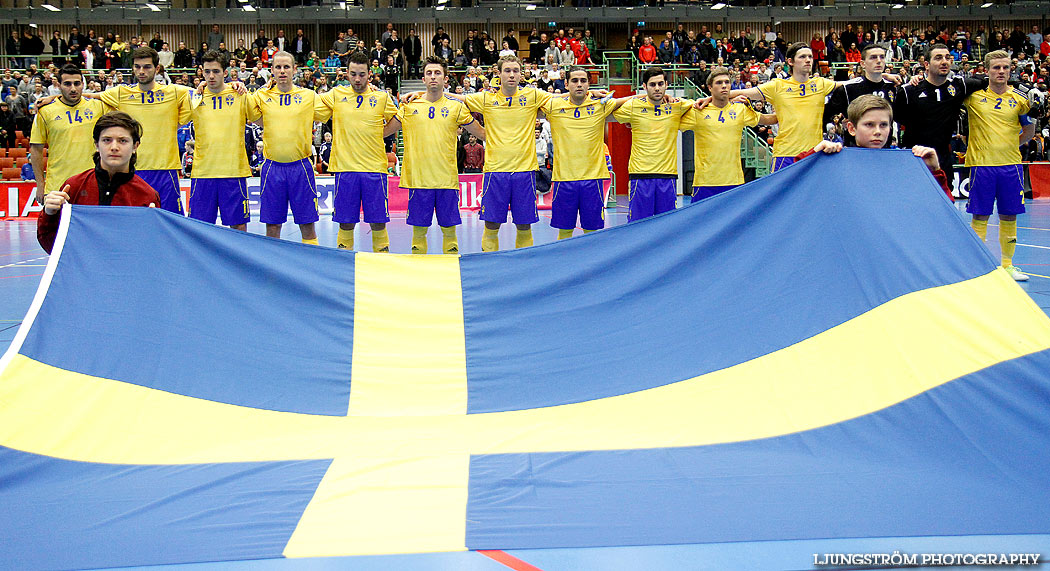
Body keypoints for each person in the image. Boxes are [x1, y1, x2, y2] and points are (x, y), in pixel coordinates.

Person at [726, 42, 892, 172]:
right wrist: (709, 98)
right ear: (790, 62)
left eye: (810, 57)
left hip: (815, 152)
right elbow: (739, 92)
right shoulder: (776, 86)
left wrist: (883, 75)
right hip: (786, 154)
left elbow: (854, 82)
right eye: (803, 57)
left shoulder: (820, 83)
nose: (808, 60)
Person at [382, 56, 485, 254]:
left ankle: (450, 277)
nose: (433, 77)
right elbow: (383, 132)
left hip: (446, 180)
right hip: (419, 181)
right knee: (418, 238)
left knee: (450, 237)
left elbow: (482, 133)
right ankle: (421, 280)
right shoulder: (409, 106)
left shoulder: (457, 107)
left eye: (438, 73)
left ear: (446, 79)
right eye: (429, 73)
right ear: (423, 79)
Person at [452, 55, 553, 251]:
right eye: (507, 70)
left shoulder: (532, 96)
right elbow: (458, 98)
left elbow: (562, 98)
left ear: (521, 74)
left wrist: (592, 95)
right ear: (498, 74)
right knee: (491, 224)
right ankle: (491, 268)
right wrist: (422, 93)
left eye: (516, 70)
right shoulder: (486, 98)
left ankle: (522, 269)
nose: (512, 74)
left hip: (524, 172)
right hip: (495, 172)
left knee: (524, 225)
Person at [37, 112, 159, 253]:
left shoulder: (147, 195)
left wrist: (151, 230)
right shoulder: (74, 186)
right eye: (107, 140)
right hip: (81, 272)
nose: (114, 147)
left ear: (135, 146)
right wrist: (49, 215)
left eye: (123, 141)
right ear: (96, 145)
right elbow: (52, 246)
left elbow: (149, 251)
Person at [88, 47, 192, 214]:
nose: (141, 71)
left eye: (147, 67)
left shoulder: (174, 91)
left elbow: (204, 92)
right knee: (132, 220)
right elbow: (88, 97)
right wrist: (52, 98)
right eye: (137, 67)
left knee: (171, 221)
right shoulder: (122, 92)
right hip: (131, 167)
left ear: (157, 69)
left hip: (165, 168)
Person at [963, 51, 1036, 281]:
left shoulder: (1020, 100)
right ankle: (977, 267)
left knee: (1009, 215)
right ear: (986, 70)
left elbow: (1030, 130)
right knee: (980, 215)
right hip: (981, 166)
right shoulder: (972, 97)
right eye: (996, 67)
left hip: (1011, 166)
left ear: (1010, 69)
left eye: (1005, 67)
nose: (1001, 71)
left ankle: (1008, 266)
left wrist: (1008, 145)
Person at [315, 51, 399, 253]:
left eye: (362, 74)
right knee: (345, 221)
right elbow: (308, 104)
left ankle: (381, 263)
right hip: (345, 169)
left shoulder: (381, 97)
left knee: (378, 221)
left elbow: (398, 118)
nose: (358, 79)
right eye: (353, 74)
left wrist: (380, 133)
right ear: (346, 73)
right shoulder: (336, 94)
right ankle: (346, 264)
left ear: (370, 74)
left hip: (374, 169)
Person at [800, 95, 953, 200]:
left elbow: (943, 205)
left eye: (883, 125)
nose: (878, 131)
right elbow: (792, 184)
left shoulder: (903, 163)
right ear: (852, 128)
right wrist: (814, 153)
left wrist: (934, 171)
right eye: (869, 125)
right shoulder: (835, 160)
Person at [542, 66, 629, 239]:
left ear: (589, 84)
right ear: (566, 84)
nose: (579, 84)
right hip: (564, 180)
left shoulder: (600, 105)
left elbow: (630, 100)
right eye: (574, 81)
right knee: (565, 231)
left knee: (592, 232)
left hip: (593, 180)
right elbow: (530, 99)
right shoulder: (553, 105)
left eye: (583, 81)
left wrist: (663, 97)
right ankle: (566, 265)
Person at [249, 51, 325, 245]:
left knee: (307, 223)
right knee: (272, 225)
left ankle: (310, 266)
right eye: (278, 67)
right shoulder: (261, 96)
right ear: (271, 70)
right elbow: (250, 113)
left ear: (294, 70)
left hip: (301, 168)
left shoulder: (309, 96)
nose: (282, 71)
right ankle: (274, 270)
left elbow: (337, 105)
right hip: (272, 168)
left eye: (286, 67)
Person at [893, 43, 988, 186]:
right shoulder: (909, 91)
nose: (944, 61)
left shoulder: (958, 85)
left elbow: (987, 82)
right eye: (938, 58)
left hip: (943, 160)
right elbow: (895, 116)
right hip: (915, 158)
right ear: (926, 64)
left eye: (947, 57)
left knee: (945, 203)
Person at [680, 66, 776, 202]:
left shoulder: (740, 110)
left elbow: (768, 119)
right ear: (709, 88)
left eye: (727, 82)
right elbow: (671, 118)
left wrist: (788, 109)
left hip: (734, 181)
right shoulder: (698, 111)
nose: (724, 86)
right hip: (705, 182)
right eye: (719, 83)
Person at [188, 51, 258, 231]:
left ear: (225, 73)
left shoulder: (240, 94)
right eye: (207, 71)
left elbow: (262, 117)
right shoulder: (195, 96)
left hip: (233, 171)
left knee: (239, 225)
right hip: (203, 173)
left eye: (216, 71)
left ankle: (237, 260)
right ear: (201, 72)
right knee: (199, 228)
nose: (211, 76)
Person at [612, 66, 693, 221]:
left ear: (666, 85)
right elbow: (607, 109)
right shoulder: (633, 106)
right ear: (644, 86)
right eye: (652, 84)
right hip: (640, 176)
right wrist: (634, 98)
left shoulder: (677, 106)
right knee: (637, 226)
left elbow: (702, 104)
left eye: (660, 84)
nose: (657, 88)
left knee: (666, 227)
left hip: (668, 176)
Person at [29, 64, 107, 205]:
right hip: (57, 185)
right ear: (58, 85)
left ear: (83, 84)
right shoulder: (45, 111)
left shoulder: (99, 107)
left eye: (77, 83)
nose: (73, 88)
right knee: (57, 227)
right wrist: (40, 184)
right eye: (67, 84)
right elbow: (35, 149)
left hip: (92, 183)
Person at [824, 44, 898, 147]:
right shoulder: (848, 88)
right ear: (863, 64)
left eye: (882, 57)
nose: (879, 61)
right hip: (854, 150)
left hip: (884, 149)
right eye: (873, 57)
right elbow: (826, 115)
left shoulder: (892, 87)